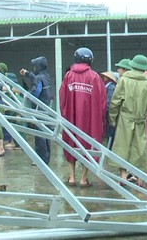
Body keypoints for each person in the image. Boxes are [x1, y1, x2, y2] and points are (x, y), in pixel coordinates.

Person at [59, 48, 107, 187]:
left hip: (71, 118)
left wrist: (65, 113)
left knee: (71, 142)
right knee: (88, 144)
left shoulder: (68, 76)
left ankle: (72, 177)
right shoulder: (94, 77)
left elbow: (62, 97)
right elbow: (102, 100)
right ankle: (84, 178)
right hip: (90, 120)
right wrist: (101, 118)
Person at [108, 54, 147, 187]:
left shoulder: (124, 80)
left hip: (125, 119)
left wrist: (112, 118)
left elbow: (115, 102)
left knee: (122, 147)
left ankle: (123, 177)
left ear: (132, 65)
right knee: (140, 149)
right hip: (141, 121)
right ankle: (139, 178)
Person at [20, 56, 51, 165]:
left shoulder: (38, 78)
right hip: (46, 109)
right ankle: (46, 157)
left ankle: (40, 159)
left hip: (39, 110)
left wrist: (25, 94)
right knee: (46, 134)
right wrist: (28, 74)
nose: (33, 68)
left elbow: (35, 93)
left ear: (38, 67)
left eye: (34, 66)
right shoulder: (46, 77)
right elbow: (37, 79)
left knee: (39, 135)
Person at [99, 71, 118, 147]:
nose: (104, 78)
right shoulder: (108, 85)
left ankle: (110, 145)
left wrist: (107, 109)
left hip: (109, 111)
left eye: (105, 77)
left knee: (110, 129)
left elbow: (109, 100)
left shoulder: (111, 87)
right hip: (108, 110)